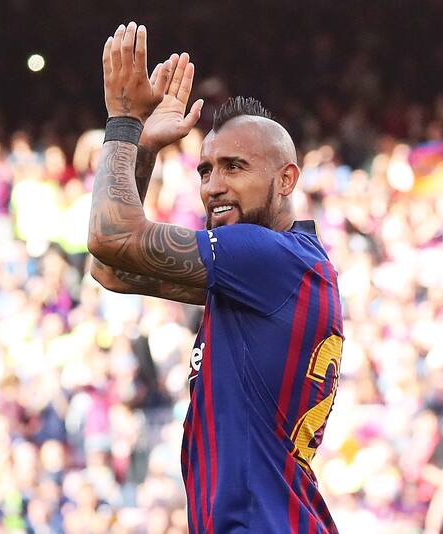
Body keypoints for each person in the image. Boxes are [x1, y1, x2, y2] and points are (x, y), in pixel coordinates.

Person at [88, 22, 343, 533]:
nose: (214, 186)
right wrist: (145, 150)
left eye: (235, 167)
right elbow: (111, 270)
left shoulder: (267, 257)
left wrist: (124, 124)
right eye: (205, 171)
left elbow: (109, 237)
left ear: (286, 178)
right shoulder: (274, 275)